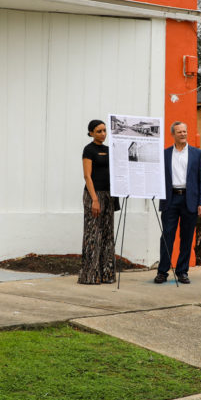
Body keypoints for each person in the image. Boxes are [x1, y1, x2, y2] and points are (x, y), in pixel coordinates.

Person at [155, 121, 201, 284]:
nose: (183, 134)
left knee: (186, 237)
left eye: (185, 131)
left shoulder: (197, 154)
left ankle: (182, 272)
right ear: (173, 134)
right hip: (170, 199)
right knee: (167, 236)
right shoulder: (164, 154)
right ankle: (162, 272)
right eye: (179, 132)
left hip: (190, 200)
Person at [79, 119, 115, 284]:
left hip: (109, 195)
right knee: (94, 235)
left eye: (104, 131)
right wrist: (94, 199)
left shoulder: (109, 150)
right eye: (99, 131)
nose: (103, 134)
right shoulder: (89, 150)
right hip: (94, 195)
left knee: (108, 234)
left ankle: (106, 274)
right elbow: (87, 176)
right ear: (91, 133)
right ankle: (90, 275)